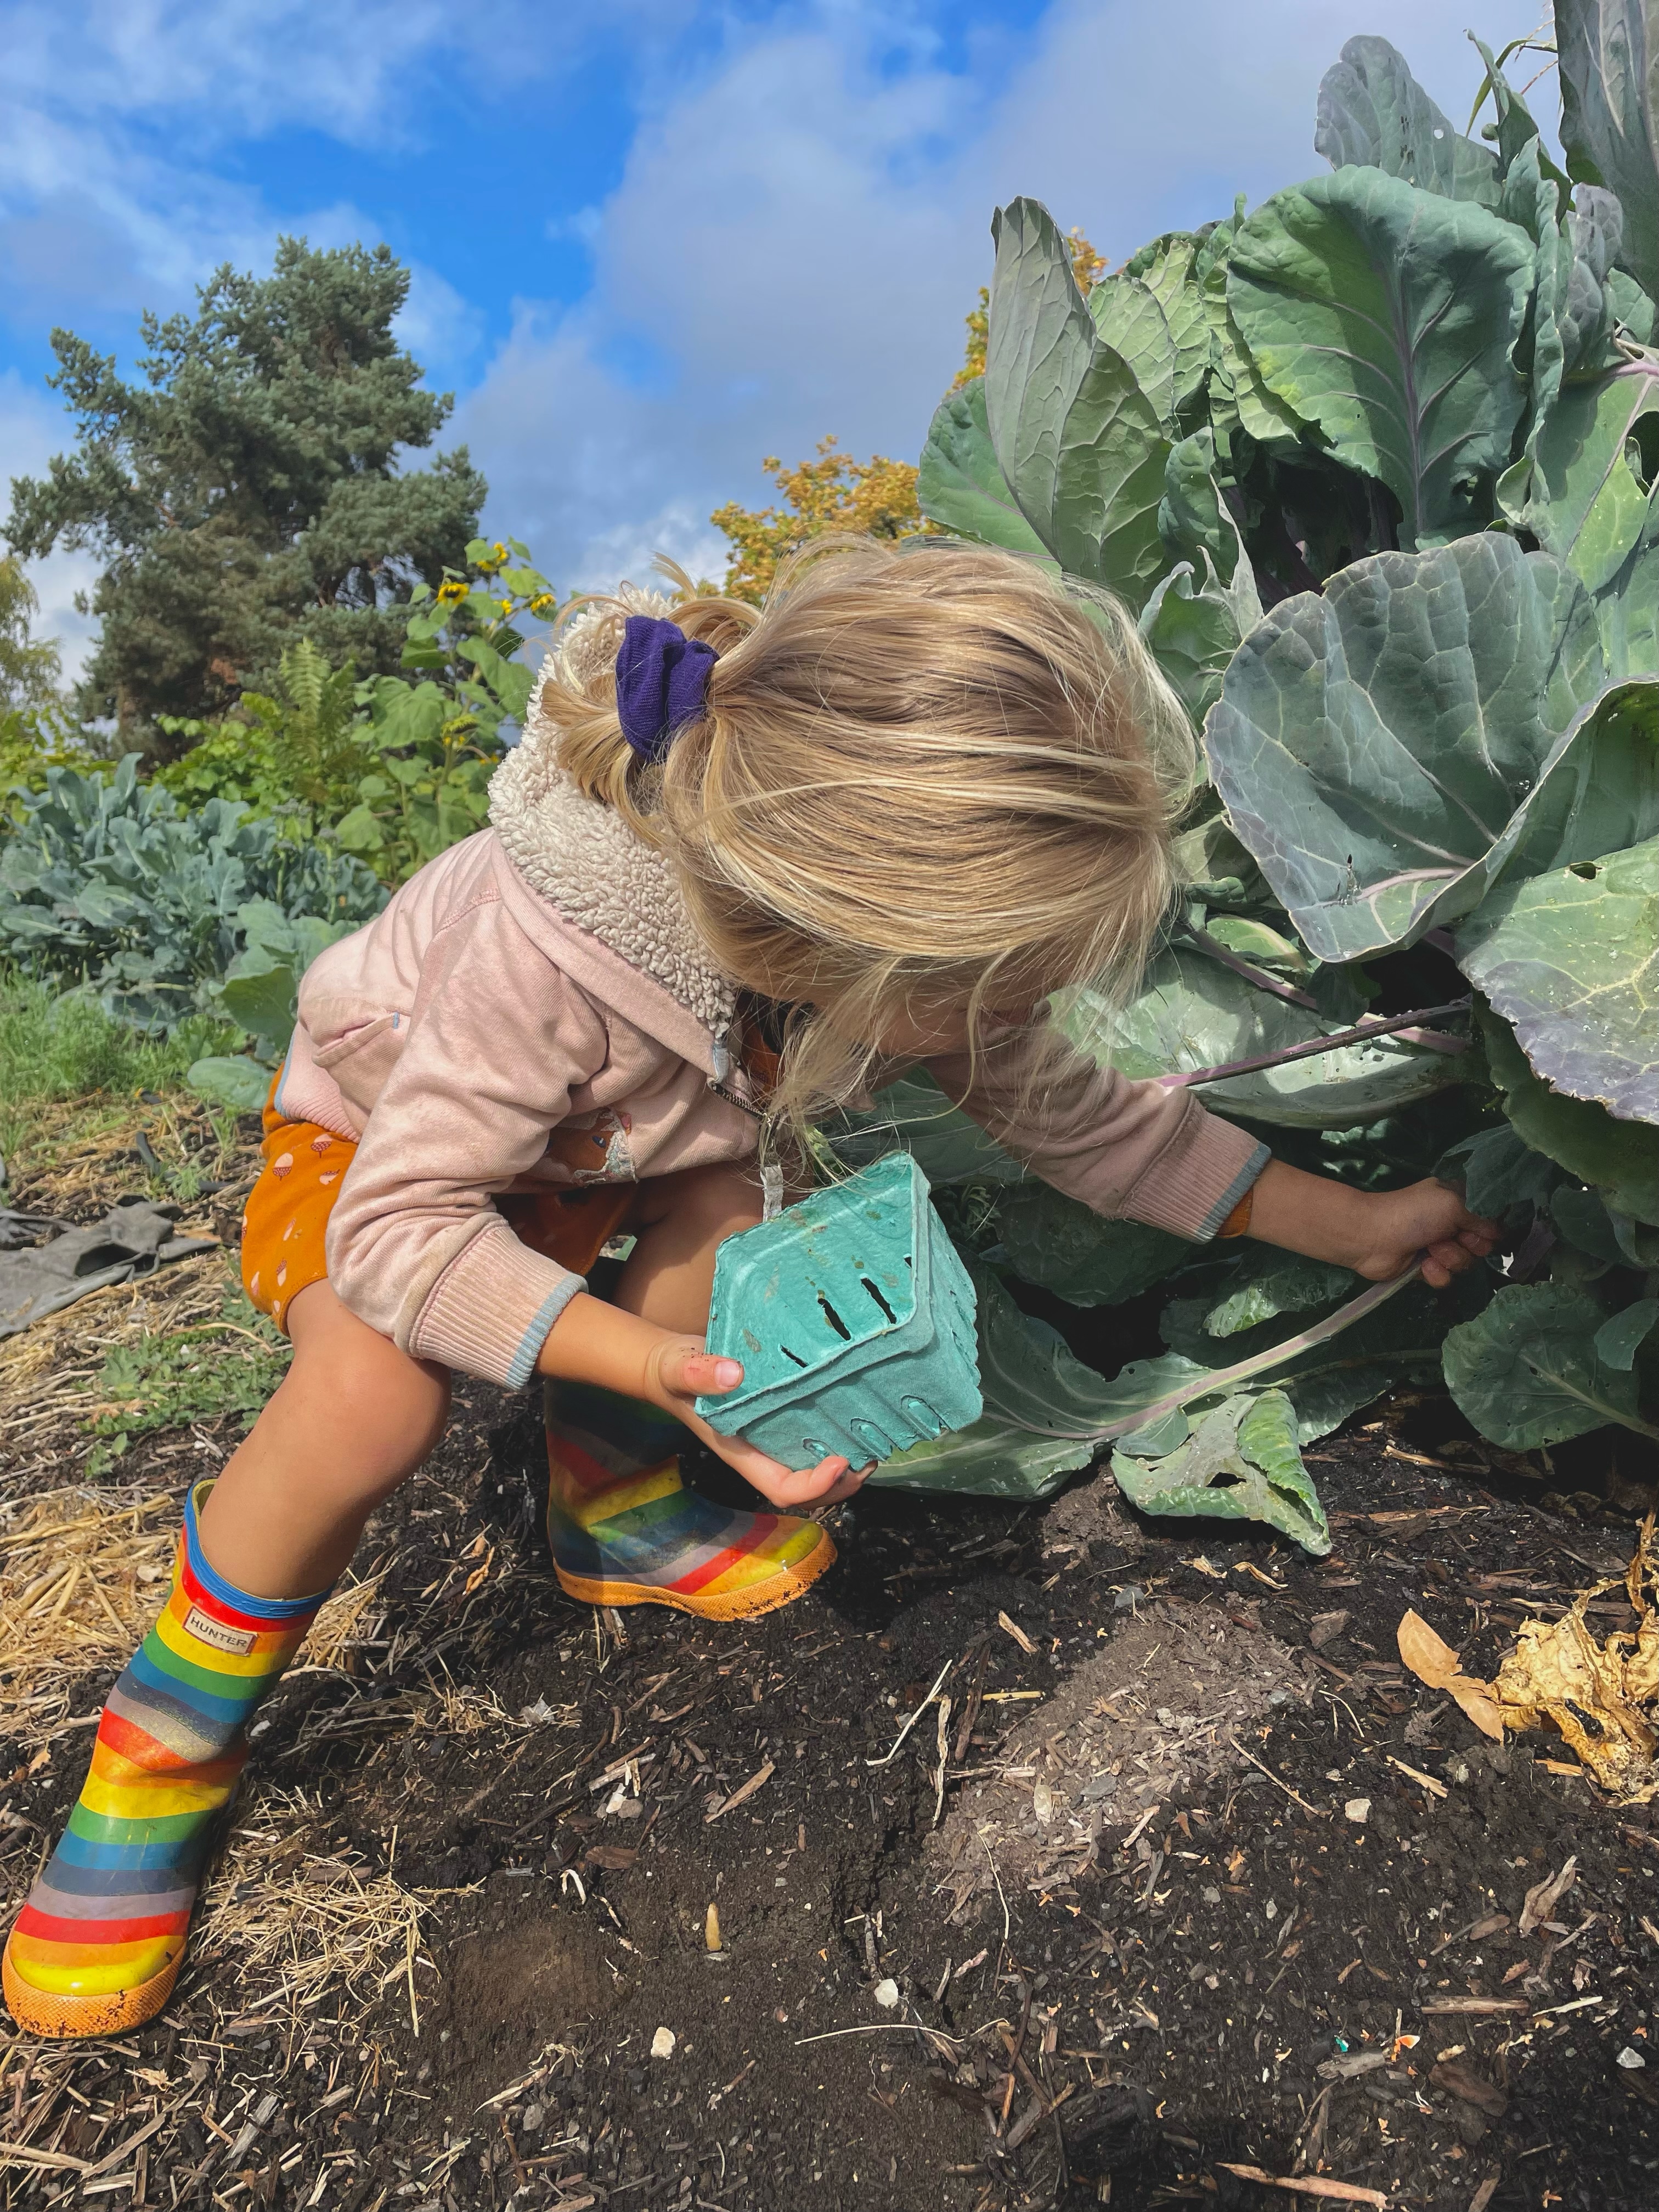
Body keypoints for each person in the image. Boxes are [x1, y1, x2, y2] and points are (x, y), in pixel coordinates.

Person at [3, 540, 1497, 2036]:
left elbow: (1098, 1125)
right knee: (370, 1399)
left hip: (615, 1149)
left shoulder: (864, 929)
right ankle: (163, 1743)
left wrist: (1353, 1225)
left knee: (730, 1207)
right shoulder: (547, 954)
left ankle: (615, 1512)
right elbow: (401, 1237)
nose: (1014, 1021)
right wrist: (653, 1367)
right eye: (995, 995)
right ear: (830, 931)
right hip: (376, 1157)